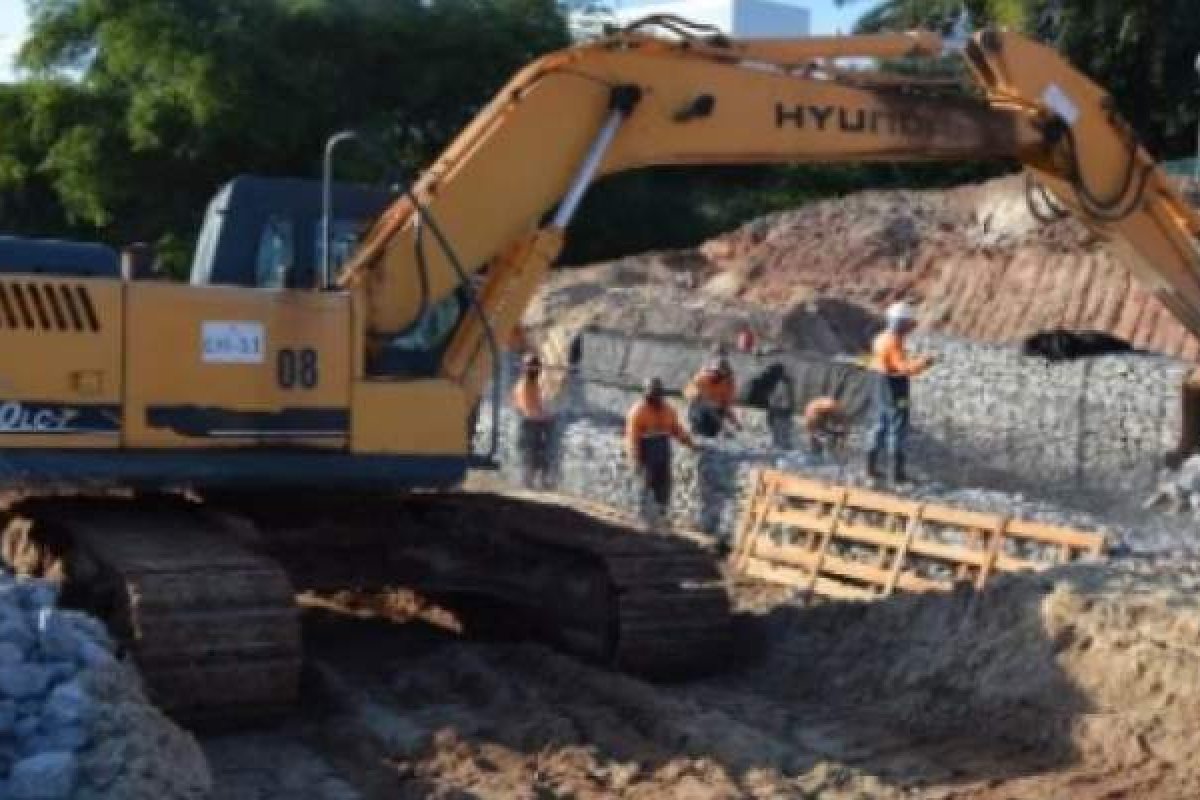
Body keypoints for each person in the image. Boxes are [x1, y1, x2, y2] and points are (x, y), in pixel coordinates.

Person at [866, 302, 935, 483]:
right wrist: (923, 363)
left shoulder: (880, 338)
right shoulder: (893, 341)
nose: (909, 328)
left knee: (880, 424)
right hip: (895, 388)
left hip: (879, 383)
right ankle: (895, 474)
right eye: (907, 324)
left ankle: (870, 468)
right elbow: (903, 368)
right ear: (900, 323)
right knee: (897, 425)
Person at [626, 378, 696, 524]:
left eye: (657, 393)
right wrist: (636, 459)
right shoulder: (637, 411)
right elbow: (632, 438)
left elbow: (676, 429)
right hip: (646, 449)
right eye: (652, 393)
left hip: (663, 450)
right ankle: (642, 516)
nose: (655, 396)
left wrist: (690, 443)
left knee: (664, 484)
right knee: (644, 483)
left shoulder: (668, 410)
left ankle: (662, 515)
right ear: (646, 393)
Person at [511, 352, 552, 489]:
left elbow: (538, 405)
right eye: (532, 366)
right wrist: (543, 417)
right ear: (525, 368)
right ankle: (527, 484)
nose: (535, 370)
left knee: (539, 456)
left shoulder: (534, 385)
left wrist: (545, 414)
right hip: (527, 425)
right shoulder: (523, 386)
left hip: (534, 424)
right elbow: (526, 409)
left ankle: (537, 483)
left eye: (536, 366)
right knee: (529, 456)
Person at [685, 358, 741, 438]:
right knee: (704, 404)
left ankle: (720, 429)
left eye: (719, 372)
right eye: (714, 371)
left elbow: (727, 407)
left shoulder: (728, 384)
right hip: (698, 412)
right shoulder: (701, 378)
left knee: (711, 432)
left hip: (716, 415)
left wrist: (736, 423)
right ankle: (693, 427)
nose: (714, 374)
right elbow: (688, 393)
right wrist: (697, 395)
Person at [765, 365, 796, 449]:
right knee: (784, 433)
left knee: (778, 435)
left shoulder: (780, 383)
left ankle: (781, 450)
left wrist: (771, 410)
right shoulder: (787, 382)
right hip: (786, 411)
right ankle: (785, 448)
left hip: (779, 411)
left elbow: (775, 398)